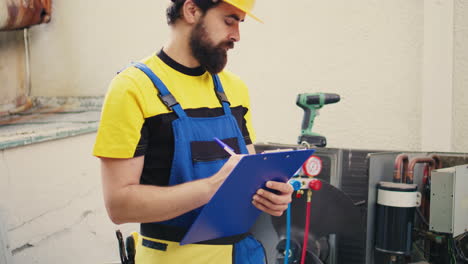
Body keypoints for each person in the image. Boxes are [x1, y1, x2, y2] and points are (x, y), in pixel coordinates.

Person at [93, 0, 294, 263]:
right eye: (229, 20)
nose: (236, 35)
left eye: (239, 23)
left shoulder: (235, 89)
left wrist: (271, 194)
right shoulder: (131, 88)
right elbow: (119, 206)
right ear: (191, 10)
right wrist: (211, 187)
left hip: (243, 254)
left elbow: (247, 177)